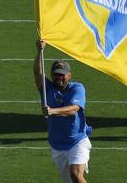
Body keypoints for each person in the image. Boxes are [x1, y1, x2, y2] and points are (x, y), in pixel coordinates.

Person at [34, 40, 90, 183]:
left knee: (76, 175)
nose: (59, 77)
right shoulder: (47, 89)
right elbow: (37, 72)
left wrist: (52, 111)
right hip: (57, 145)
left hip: (77, 141)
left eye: (62, 74)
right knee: (71, 180)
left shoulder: (77, 88)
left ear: (69, 75)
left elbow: (74, 109)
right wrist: (40, 51)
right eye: (56, 74)